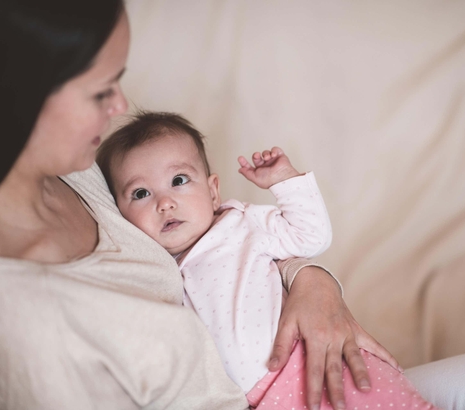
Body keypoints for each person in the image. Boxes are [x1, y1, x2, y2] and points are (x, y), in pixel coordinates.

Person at [0, 1, 465, 409]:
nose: (120, 107)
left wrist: (314, 284)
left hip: (317, 370)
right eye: (99, 89)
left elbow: (284, 242)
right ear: (17, 93)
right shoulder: (19, 318)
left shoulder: (82, 176)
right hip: (271, 394)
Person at [95, 110, 438, 409]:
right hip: (257, 400)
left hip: (314, 358)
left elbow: (311, 237)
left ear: (213, 191)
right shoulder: (155, 271)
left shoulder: (242, 224)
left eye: (179, 181)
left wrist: (285, 183)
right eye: (140, 193)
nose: (164, 202)